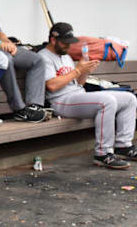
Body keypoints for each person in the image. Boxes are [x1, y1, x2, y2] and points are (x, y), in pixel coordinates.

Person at [40, 22, 137, 169]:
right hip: (60, 102)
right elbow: (52, 86)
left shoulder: (65, 56)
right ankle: (102, 153)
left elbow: (79, 83)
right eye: (65, 43)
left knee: (129, 99)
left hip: (77, 95)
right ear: (53, 40)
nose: (69, 46)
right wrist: (78, 70)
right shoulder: (44, 57)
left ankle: (123, 146)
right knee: (107, 101)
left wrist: (85, 70)